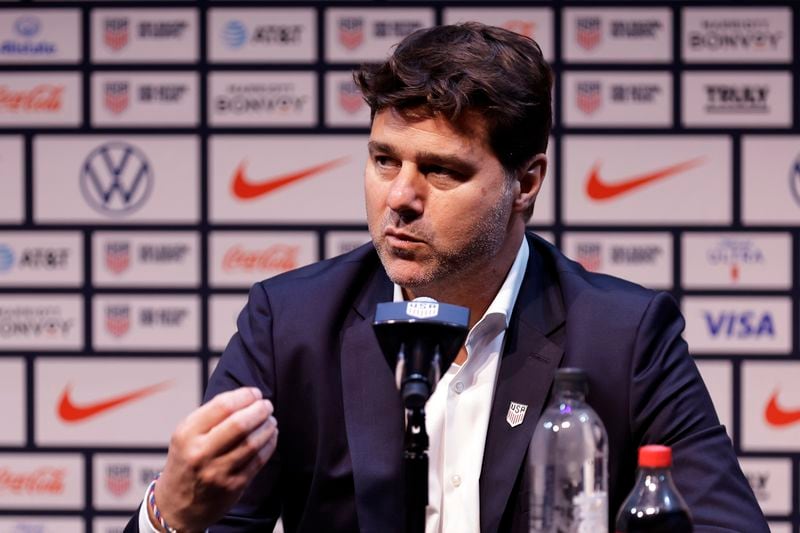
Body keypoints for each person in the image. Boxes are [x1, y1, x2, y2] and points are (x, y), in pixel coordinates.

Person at [126, 22, 767, 533]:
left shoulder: (624, 338)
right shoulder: (290, 323)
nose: (399, 197)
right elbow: (212, 520)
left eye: (441, 171)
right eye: (383, 160)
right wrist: (169, 519)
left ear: (527, 182)